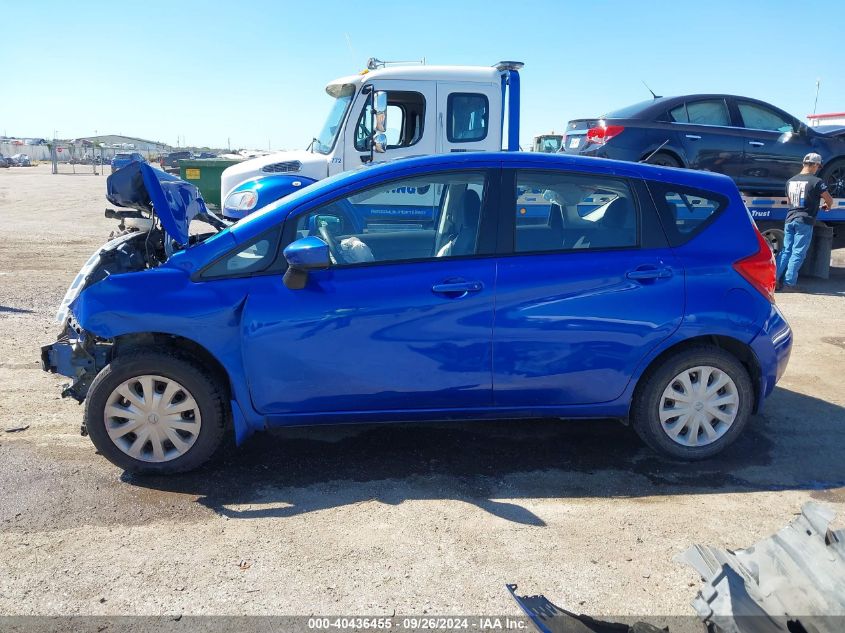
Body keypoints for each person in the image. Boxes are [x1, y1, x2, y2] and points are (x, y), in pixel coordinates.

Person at [776, 153, 835, 291]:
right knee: (798, 252)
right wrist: (828, 206)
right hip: (804, 220)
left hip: (790, 218)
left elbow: (790, 202)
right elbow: (829, 199)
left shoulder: (790, 181)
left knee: (786, 251)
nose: (818, 169)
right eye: (818, 166)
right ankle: (789, 284)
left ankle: (775, 281)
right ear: (814, 165)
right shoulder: (816, 181)